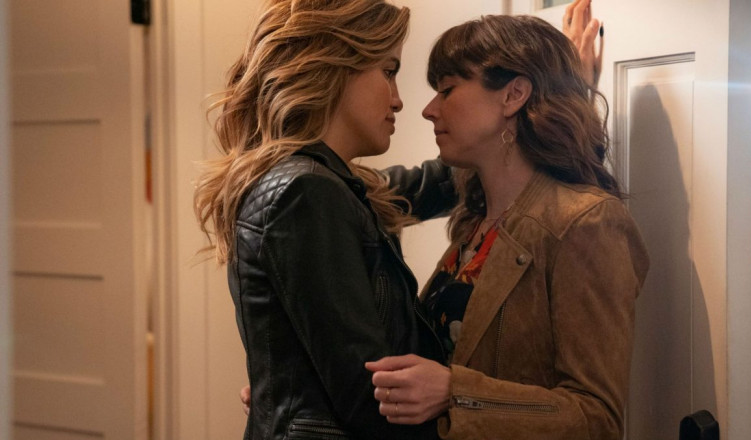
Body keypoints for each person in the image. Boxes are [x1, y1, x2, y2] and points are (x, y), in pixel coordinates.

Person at [365, 12, 649, 440]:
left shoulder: (587, 223)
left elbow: (597, 418)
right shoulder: (476, 222)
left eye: (447, 89)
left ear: (514, 95)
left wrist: (456, 393)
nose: (427, 109)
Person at [193, 1, 459, 439]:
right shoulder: (305, 191)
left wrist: (546, 100)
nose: (398, 99)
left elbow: (435, 182)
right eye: (388, 70)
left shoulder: (324, 184)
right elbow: (371, 396)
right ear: (335, 64)